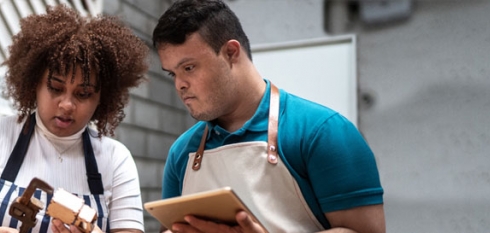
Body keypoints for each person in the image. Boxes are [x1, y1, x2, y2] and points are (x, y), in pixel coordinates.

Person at [153, 0, 385, 232]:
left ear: (231, 53)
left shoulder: (324, 132)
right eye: (172, 73)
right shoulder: (182, 152)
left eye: (189, 68)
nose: (179, 85)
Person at [0, 5, 149, 233]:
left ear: (103, 98)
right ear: (34, 83)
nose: (66, 104)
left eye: (83, 94)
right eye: (55, 88)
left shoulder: (116, 160)